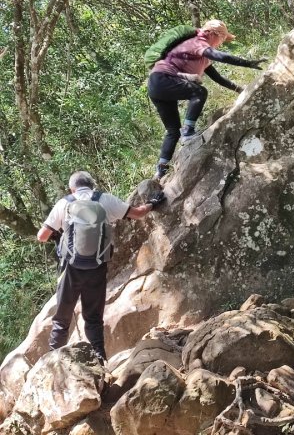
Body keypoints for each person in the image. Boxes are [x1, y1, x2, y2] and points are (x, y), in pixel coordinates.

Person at [36, 170, 164, 364]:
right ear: (91, 185)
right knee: (94, 320)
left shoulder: (64, 203)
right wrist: (153, 203)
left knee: (62, 320)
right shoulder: (104, 199)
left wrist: (58, 235)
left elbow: (41, 236)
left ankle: (55, 364)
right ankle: (101, 364)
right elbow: (138, 213)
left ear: (72, 188)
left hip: (70, 269)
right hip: (97, 268)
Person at [148, 19, 266, 179]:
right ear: (211, 34)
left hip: (156, 85)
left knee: (172, 131)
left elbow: (218, 78)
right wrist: (247, 63)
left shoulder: (201, 54)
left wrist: (240, 90)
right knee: (199, 92)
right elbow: (220, 56)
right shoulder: (198, 43)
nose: (221, 42)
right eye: (222, 38)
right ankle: (188, 132)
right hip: (163, 79)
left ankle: (161, 170)